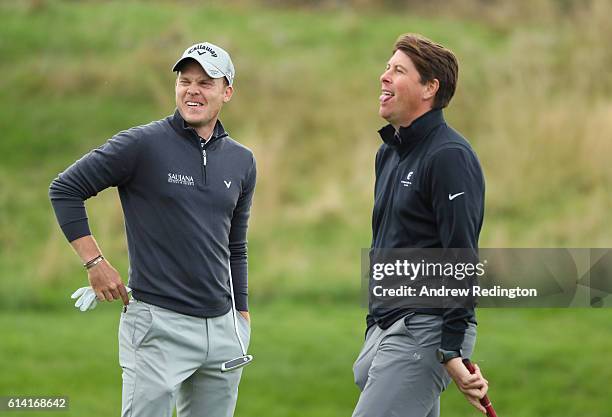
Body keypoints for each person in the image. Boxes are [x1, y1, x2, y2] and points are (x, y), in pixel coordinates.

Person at [49, 42, 256, 417]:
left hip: (223, 330)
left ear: (227, 91)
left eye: (206, 82)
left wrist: (241, 313)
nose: (192, 90)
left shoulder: (242, 161)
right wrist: (94, 262)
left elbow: (235, 245)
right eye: (185, 80)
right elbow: (65, 189)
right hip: (158, 325)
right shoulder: (142, 144)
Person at [352, 34, 488, 417]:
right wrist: (373, 322)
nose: (384, 77)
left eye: (398, 71)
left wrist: (451, 347)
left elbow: (461, 255)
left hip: (426, 329)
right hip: (387, 325)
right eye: (387, 67)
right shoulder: (388, 153)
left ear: (430, 88)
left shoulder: (449, 157)